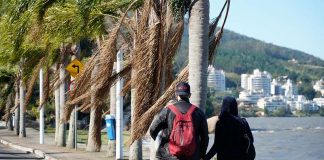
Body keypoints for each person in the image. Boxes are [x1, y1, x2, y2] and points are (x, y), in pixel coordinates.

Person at [150, 82, 209, 160]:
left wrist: (163, 145)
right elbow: (205, 137)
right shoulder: (198, 112)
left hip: (170, 155)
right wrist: (201, 154)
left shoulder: (168, 110)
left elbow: (153, 130)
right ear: (189, 95)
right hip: (192, 156)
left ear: (176, 94)